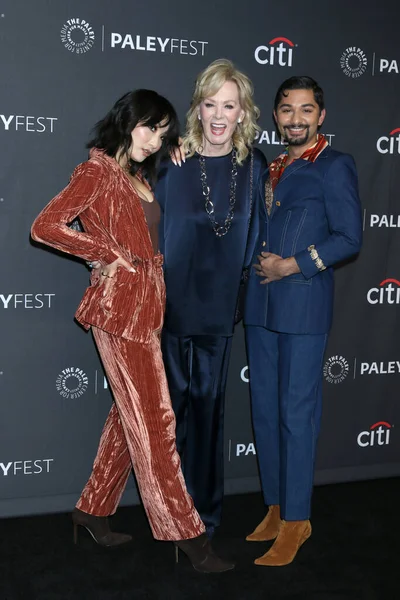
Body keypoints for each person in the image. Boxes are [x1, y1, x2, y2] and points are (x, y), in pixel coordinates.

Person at [31, 89, 234, 573]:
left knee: (130, 418)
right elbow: (45, 225)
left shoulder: (138, 173)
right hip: (120, 310)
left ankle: (91, 510)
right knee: (156, 423)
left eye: (162, 133)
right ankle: (189, 536)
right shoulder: (97, 171)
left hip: (149, 307)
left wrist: (177, 149)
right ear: (126, 120)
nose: (153, 139)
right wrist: (102, 252)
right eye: (148, 127)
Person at [244, 76, 362, 566]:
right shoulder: (270, 166)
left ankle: (298, 520)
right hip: (260, 306)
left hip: (304, 303)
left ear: (321, 116)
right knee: (266, 412)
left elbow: (349, 238)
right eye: (287, 110)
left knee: (296, 415)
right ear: (275, 116)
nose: (296, 118)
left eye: (306, 110)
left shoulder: (335, 166)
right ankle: (275, 507)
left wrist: (292, 265)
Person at [155, 59, 267, 537]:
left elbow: (257, 236)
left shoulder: (255, 165)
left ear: (243, 113)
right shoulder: (169, 161)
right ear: (197, 109)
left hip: (219, 309)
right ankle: (166, 511)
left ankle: (204, 515)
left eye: (229, 105)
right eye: (210, 104)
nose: (219, 115)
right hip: (170, 307)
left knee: (208, 411)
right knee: (168, 413)